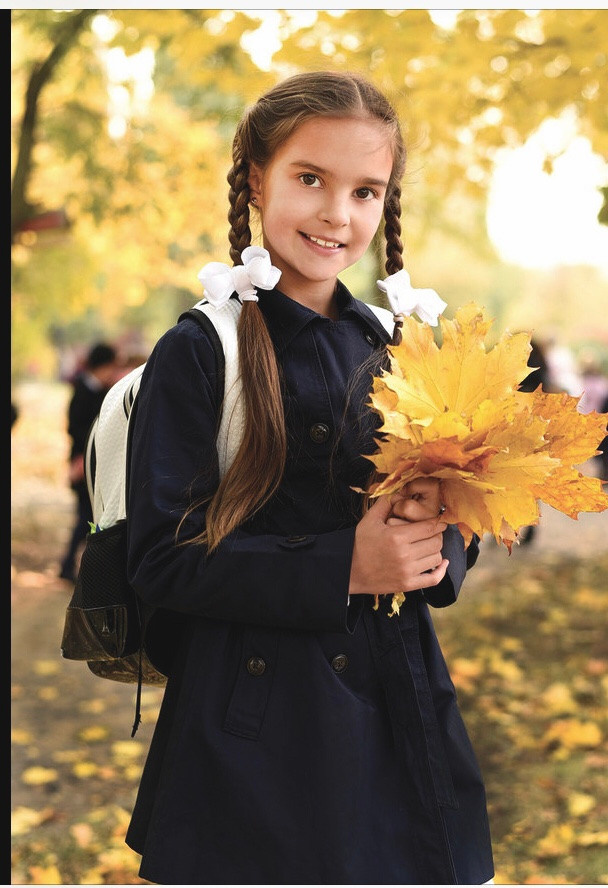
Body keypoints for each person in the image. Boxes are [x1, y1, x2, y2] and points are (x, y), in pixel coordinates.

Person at [124, 71, 494, 885]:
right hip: (254, 727)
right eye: (310, 179)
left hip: (399, 705)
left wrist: (434, 542)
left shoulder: (405, 350)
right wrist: (344, 565)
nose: (338, 214)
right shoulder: (199, 351)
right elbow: (162, 559)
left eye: (366, 191)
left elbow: (462, 524)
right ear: (257, 179)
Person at [59, 342, 118, 581]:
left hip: (95, 465)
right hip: (83, 466)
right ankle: (70, 566)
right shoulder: (82, 390)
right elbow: (75, 428)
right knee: (86, 519)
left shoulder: (104, 391)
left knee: (91, 519)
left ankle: (80, 566)